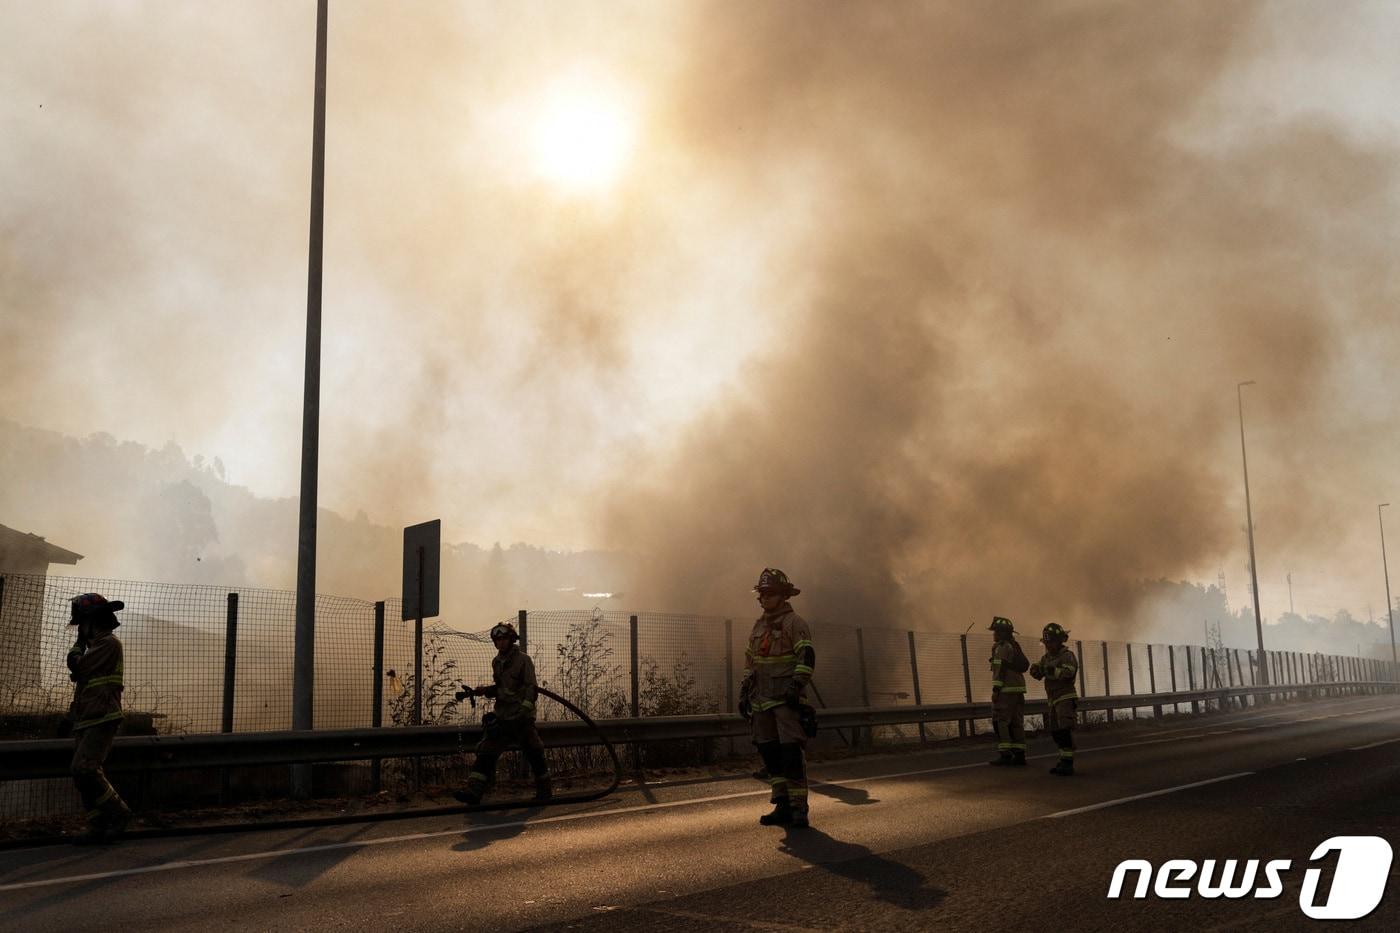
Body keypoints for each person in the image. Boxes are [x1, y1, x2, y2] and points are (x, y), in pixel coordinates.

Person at [739, 568, 815, 828]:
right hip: (761, 701)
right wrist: (744, 689)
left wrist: (796, 686)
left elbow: (806, 659)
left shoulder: (796, 624)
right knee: (770, 753)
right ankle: (781, 804)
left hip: (785, 701)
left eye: (770, 593)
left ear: (783, 595)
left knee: (791, 753)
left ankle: (798, 809)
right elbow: (751, 661)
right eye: (761, 594)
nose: (764, 598)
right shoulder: (759, 625)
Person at [60, 593, 133, 844]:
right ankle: (97, 824)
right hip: (88, 717)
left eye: (82, 624)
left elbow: (76, 665)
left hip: (103, 716)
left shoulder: (108, 644)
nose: (80, 629)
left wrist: (78, 645)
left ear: (93, 622)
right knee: (80, 772)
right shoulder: (98, 647)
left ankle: (119, 813)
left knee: (85, 768)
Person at [453, 622, 552, 805]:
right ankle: (474, 792)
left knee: (534, 751)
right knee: (487, 751)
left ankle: (545, 791)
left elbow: (531, 688)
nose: (500, 642)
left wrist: (525, 709)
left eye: (504, 638)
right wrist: (485, 691)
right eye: (497, 639)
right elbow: (502, 689)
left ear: (511, 639)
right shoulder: (496, 662)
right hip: (503, 716)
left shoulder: (524, 660)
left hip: (521, 717)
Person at [1028, 622, 1079, 776]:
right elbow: (1038, 672)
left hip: (1065, 696)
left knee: (1064, 730)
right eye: (1046, 643)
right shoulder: (1047, 657)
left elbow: (1068, 673)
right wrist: (1035, 670)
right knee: (1056, 731)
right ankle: (1063, 760)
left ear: (1059, 641)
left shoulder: (1067, 656)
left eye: (1051, 642)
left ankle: (1068, 763)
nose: (1048, 646)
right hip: (1053, 699)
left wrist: (1051, 670)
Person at [987, 616, 1028, 766]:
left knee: (1000, 720)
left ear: (1002, 633)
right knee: (1016, 722)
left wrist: (996, 690)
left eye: (996, 631)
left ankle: (1005, 754)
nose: (994, 634)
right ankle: (1019, 754)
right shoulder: (1013, 645)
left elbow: (1000, 669)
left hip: (1006, 689)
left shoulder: (1002, 646)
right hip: (1018, 689)